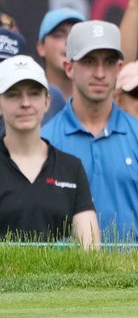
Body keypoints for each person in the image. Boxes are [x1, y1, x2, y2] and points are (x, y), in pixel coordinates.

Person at [43, 20, 138, 247]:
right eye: (89, 61)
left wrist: (130, 275)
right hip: (64, 279)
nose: (100, 73)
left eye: (109, 62)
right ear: (69, 68)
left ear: (120, 67)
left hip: (133, 279)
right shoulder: (44, 141)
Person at [0, 56, 100, 247]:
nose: (25, 103)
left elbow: (90, 250)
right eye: (13, 94)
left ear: (47, 101)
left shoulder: (72, 168)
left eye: (34, 93)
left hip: (61, 278)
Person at [37, 7, 84, 118]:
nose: (69, 41)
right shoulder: (27, 103)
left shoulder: (100, 100)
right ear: (41, 47)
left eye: (76, 36)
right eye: (59, 35)